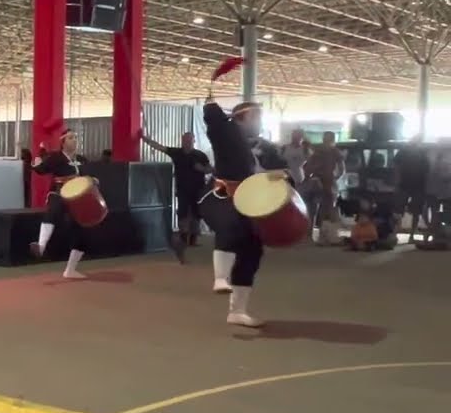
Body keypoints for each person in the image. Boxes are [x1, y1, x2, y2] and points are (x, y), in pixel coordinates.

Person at [198, 97, 287, 327]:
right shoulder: (228, 132)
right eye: (258, 118)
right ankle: (220, 277)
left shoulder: (257, 147)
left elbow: (261, 173)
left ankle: (237, 311)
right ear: (248, 117)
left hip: (245, 200)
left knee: (252, 248)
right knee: (232, 223)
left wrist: (277, 176)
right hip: (219, 196)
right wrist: (210, 105)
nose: (260, 123)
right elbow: (216, 123)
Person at [29, 128, 90, 279]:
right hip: (59, 192)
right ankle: (41, 246)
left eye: (75, 137)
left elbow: (88, 176)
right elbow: (41, 169)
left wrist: (92, 180)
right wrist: (36, 162)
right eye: (71, 138)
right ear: (63, 142)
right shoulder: (55, 157)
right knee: (53, 210)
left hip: (76, 198)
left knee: (81, 232)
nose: (74, 140)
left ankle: (70, 270)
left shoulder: (81, 160)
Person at [141, 130, 212, 246]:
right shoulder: (176, 153)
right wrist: (145, 139)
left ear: (193, 141)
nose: (187, 142)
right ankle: (184, 237)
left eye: (189, 140)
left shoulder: (200, 155)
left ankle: (193, 238)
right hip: (182, 189)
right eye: (185, 140)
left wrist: (203, 169)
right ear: (182, 141)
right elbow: (160, 147)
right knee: (182, 213)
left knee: (196, 213)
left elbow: (210, 169)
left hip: (198, 189)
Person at [303, 131, 345, 243]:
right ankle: (323, 233)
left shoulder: (317, 151)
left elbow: (308, 166)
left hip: (315, 181)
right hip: (327, 182)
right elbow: (341, 169)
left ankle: (310, 233)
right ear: (333, 139)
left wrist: (308, 176)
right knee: (326, 208)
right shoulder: (334, 151)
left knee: (312, 207)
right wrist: (335, 177)